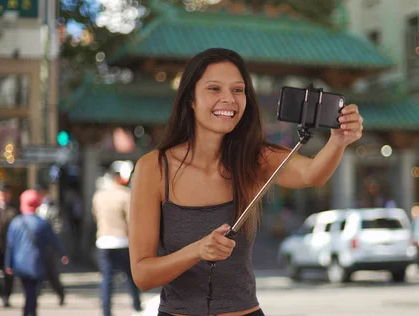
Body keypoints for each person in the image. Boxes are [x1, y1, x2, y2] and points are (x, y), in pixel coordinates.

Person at [128, 48, 364, 316]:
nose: (228, 99)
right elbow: (143, 275)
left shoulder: (256, 157)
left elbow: (312, 174)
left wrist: (338, 141)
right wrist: (197, 250)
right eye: (214, 89)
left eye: (238, 90)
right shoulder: (153, 168)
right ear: (190, 99)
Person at [5, 190, 69, 316]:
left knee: (28, 290)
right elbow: (54, 241)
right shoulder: (42, 224)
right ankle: (30, 311)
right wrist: (63, 254)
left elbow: (10, 246)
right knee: (33, 291)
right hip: (37, 263)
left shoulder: (15, 223)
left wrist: (8, 264)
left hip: (20, 263)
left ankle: (28, 311)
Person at [92, 171, 142, 316]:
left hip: (103, 240)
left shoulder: (98, 195)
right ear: (119, 179)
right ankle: (136, 304)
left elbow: (95, 216)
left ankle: (106, 311)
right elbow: (132, 219)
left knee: (106, 278)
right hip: (122, 240)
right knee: (131, 275)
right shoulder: (126, 194)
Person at [34, 183, 66, 305]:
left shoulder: (53, 208)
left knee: (52, 274)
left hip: (48, 248)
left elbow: (58, 227)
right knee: (36, 273)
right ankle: (34, 297)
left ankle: (60, 293)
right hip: (36, 247)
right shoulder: (34, 208)